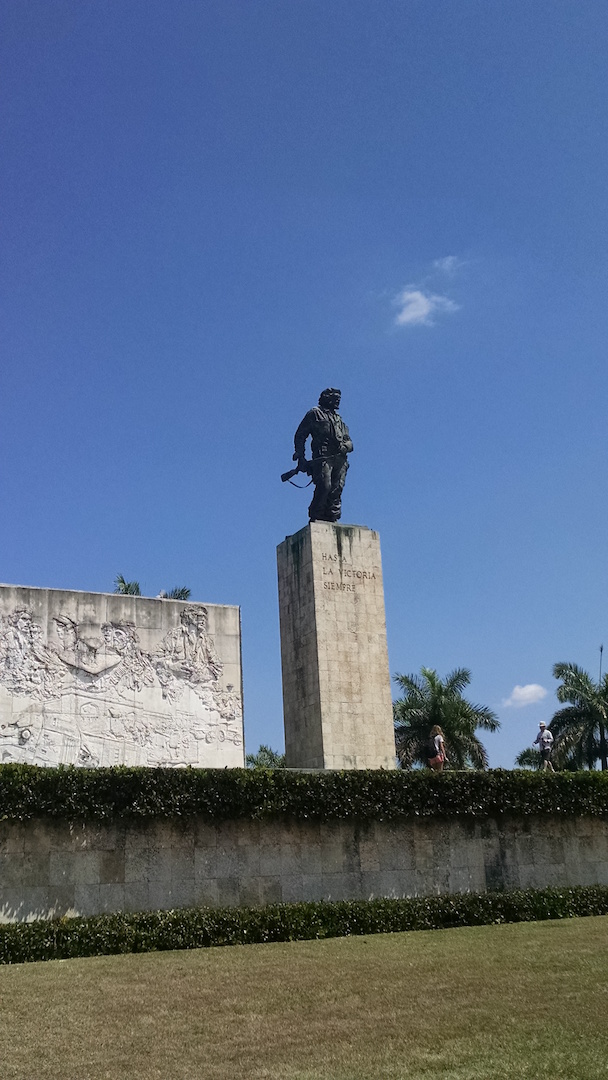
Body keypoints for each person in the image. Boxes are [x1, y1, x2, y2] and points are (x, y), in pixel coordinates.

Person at [293, 388, 353, 522]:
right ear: (326, 398)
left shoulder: (339, 420)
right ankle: (317, 515)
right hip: (323, 458)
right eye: (335, 398)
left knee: (337, 489)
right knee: (325, 486)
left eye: (339, 398)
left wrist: (346, 446)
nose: (338, 401)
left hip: (340, 459)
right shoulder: (315, 414)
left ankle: (332, 516)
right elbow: (300, 435)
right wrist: (300, 455)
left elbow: (349, 440)